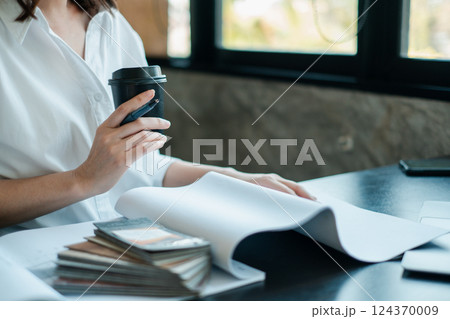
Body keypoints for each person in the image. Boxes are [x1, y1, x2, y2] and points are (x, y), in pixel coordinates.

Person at [0, 0, 314, 230]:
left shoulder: (113, 23)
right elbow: (98, 175)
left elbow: (143, 166)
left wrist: (239, 181)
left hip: (137, 241)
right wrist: (82, 181)